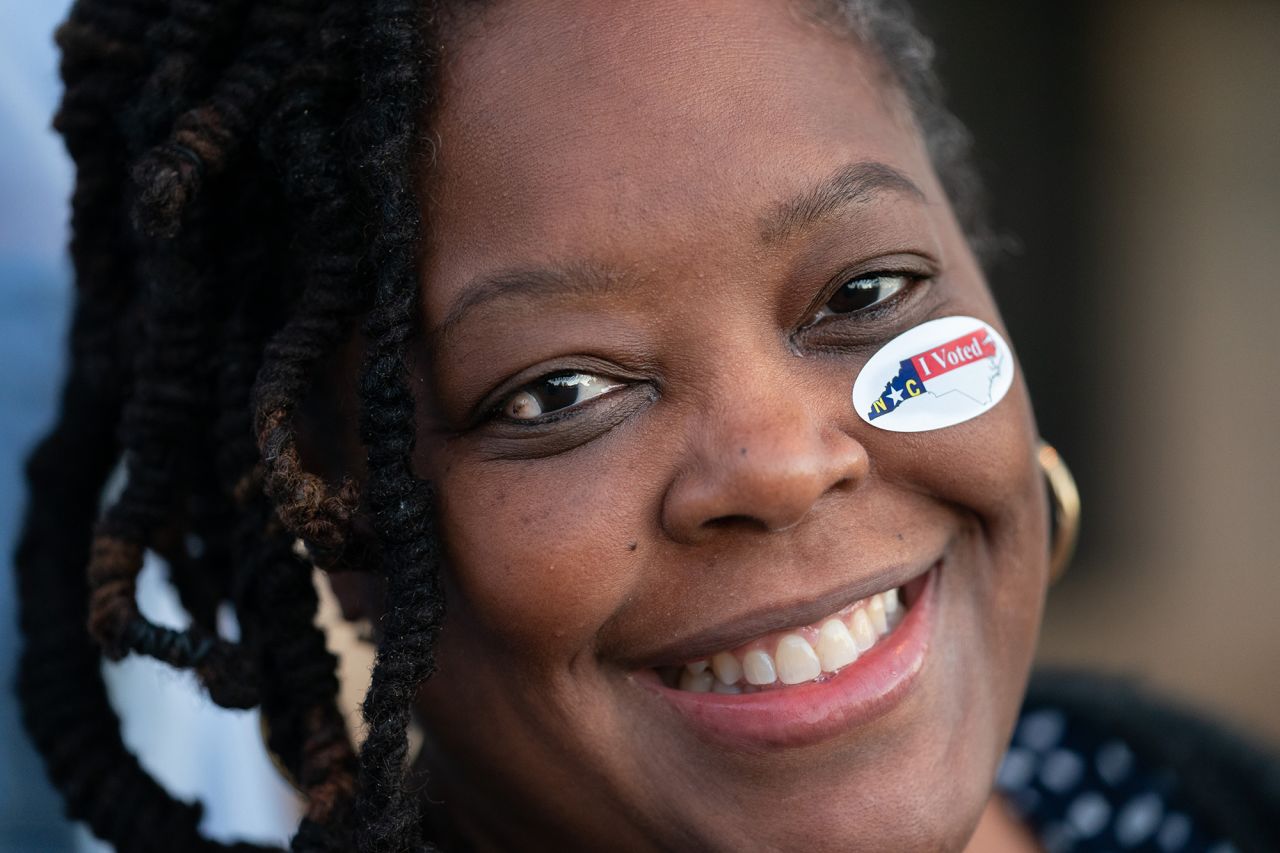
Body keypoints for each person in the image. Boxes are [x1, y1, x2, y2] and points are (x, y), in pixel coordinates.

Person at [12, 0, 1278, 851]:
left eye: (864, 292)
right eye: (556, 394)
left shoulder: (1193, 800)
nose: (782, 464)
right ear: (325, 510)